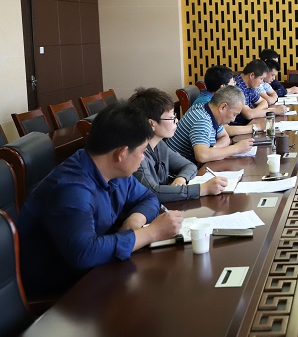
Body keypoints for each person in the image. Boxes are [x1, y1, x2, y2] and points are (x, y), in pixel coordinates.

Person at [16, 102, 184, 298]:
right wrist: (151, 233)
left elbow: (148, 198)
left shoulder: (114, 171)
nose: (142, 158)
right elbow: (84, 253)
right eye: (141, 152)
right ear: (122, 153)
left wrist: (134, 220)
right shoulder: (72, 189)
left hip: (96, 273)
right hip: (61, 292)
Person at [129, 87, 227, 201]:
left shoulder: (159, 144)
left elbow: (189, 165)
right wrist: (203, 189)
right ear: (152, 124)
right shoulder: (137, 154)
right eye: (171, 118)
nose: (176, 121)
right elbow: (153, 192)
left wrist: (182, 178)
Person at [167, 85, 255, 163]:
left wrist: (213, 149)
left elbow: (224, 137)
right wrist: (236, 148)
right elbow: (202, 156)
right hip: (177, 172)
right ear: (223, 107)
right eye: (234, 114)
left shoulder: (209, 111)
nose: (233, 119)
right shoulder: (202, 119)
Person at [232, 59, 288, 126]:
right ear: (252, 75)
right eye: (261, 79)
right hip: (240, 128)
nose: (262, 82)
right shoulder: (236, 87)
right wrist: (275, 111)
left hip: (250, 123)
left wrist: (254, 112)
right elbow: (249, 114)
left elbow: (264, 102)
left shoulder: (249, 85)